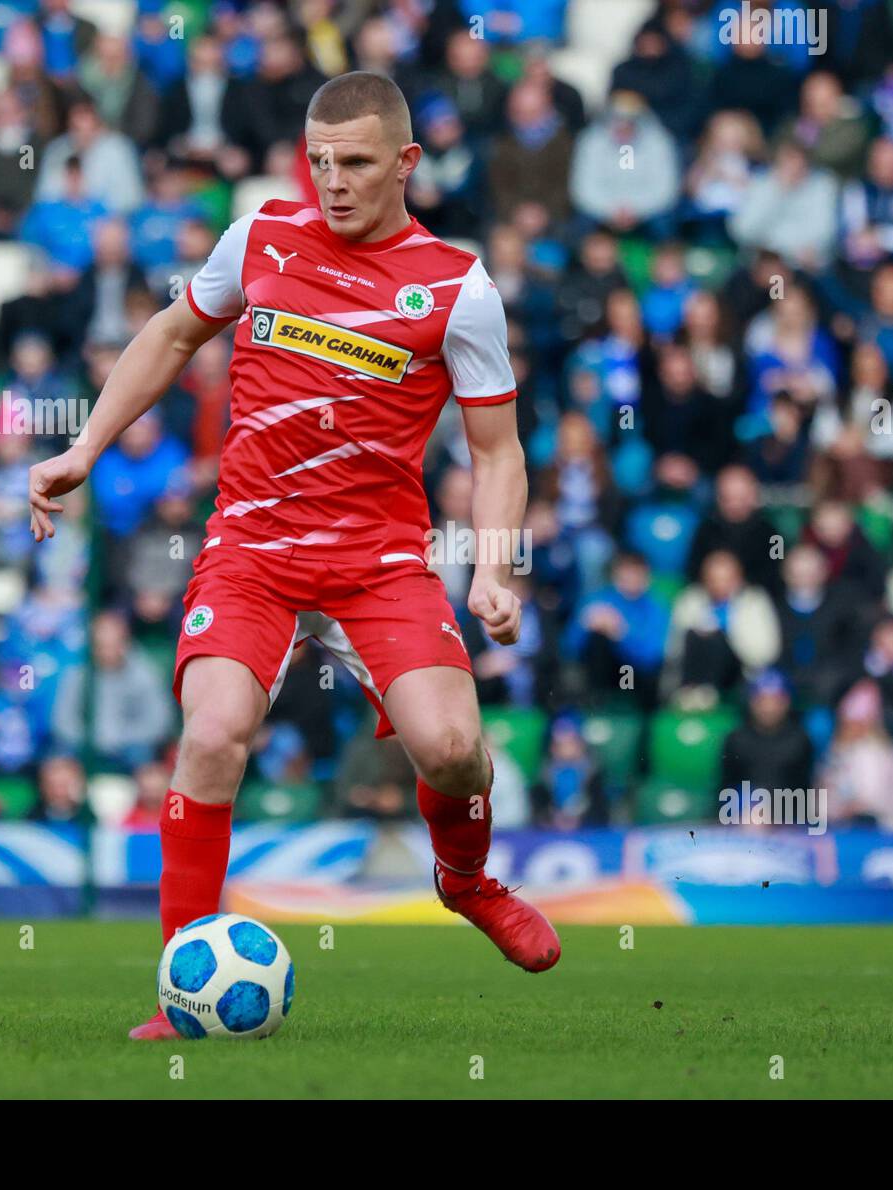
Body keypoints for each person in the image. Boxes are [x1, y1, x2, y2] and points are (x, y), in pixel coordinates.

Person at [28, 72, 560, 1040]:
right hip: (254, 549)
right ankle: (182, 977)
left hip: (380, 562)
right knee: (214, 730)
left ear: (406, 161)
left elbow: (497, 449)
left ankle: (466, 878)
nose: (333, 181)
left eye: (355, 162)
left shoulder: (456, 287)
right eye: (318, 161)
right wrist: (85, 445)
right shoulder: (260, 235)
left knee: (452, 748)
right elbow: (173, 331)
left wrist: (492, 566)